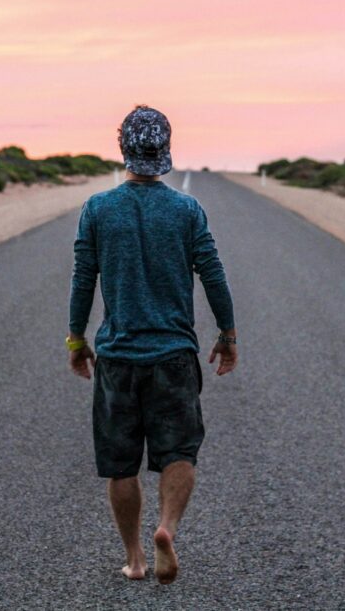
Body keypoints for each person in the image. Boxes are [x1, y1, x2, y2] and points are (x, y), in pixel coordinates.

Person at [67, 105, 237, 585]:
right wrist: (227, 334)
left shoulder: (98, 208)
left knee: (121, 464)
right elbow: (213, 274)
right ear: (165, 149)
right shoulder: (186, 209)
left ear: (123, 147)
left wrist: (76, 338)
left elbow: (84, 277)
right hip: (173, 356)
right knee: (179, 452)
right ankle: (167, 528)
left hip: (118, 357)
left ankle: (136, 558)